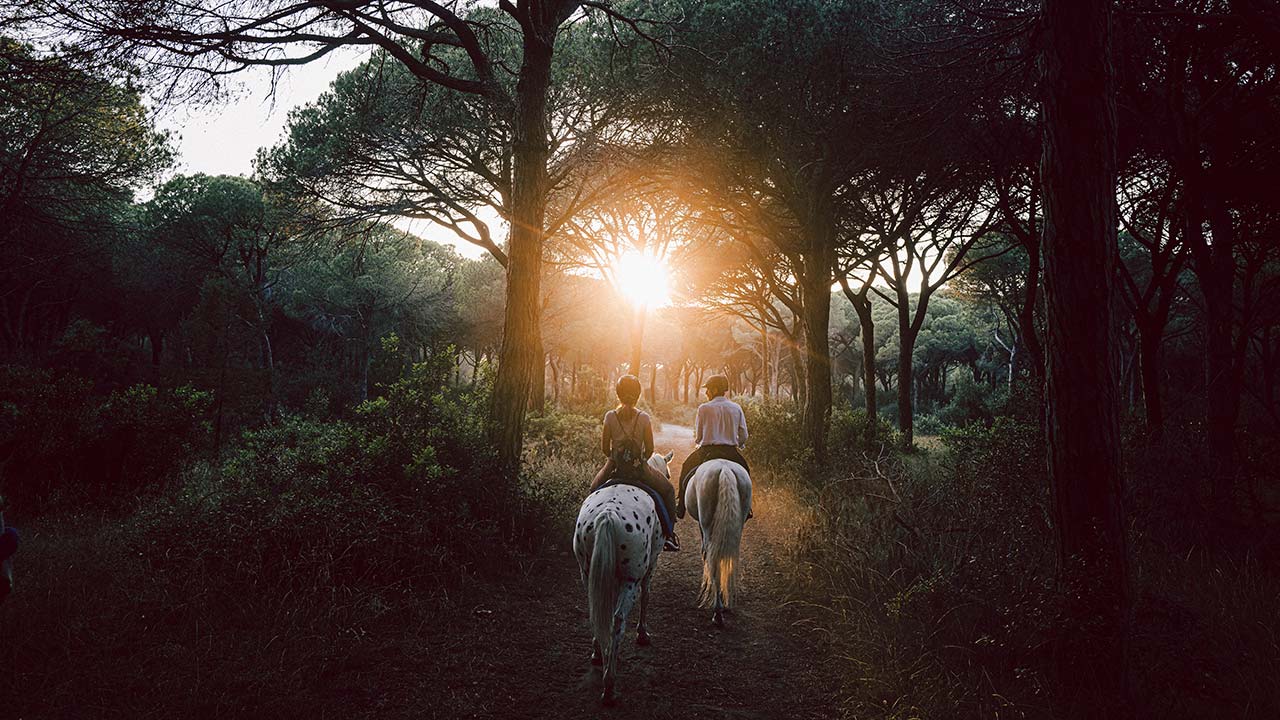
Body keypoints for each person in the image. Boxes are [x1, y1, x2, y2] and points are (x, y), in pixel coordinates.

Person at [588, 375, 681, 552]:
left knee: (593, 489)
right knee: (669, 490)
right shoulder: (644, 418)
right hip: (640, 470)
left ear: (618, 394)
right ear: (638, 395)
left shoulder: (610, 416)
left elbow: (604, 448)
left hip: (614, 466)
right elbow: (650, 449)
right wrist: (639, 460)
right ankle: (669, 535)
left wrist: (615, 458)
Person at [675, 374, 751, 519]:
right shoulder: (736, 407)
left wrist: (701, 441)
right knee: (746, 471)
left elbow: (698, 437)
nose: (706, 392)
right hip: (730, 451)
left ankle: (681, 507)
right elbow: (744, 434)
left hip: (707, 452)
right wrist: (739, 445)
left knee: (685, 468)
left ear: (715, 389)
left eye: (708, 389)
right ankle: (747, 508)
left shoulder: (704, 408)